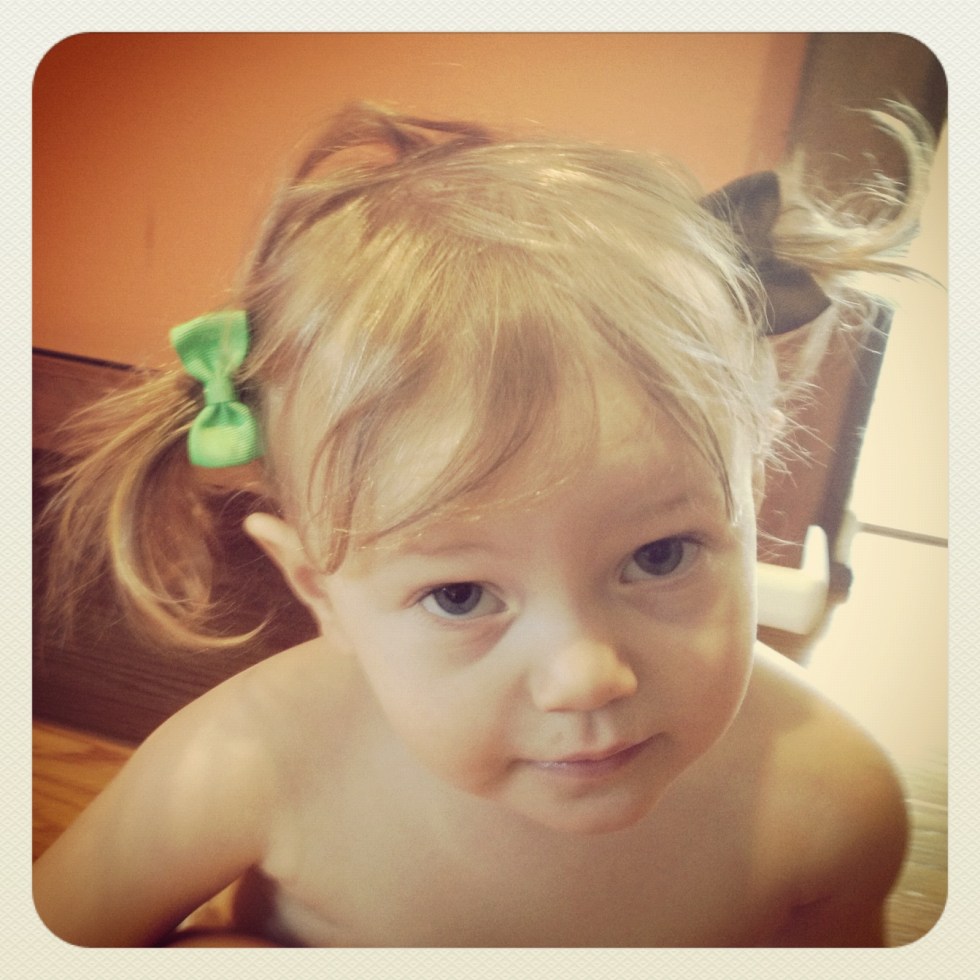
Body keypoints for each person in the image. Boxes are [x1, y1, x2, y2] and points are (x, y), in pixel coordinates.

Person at [33, 102, 933, 947]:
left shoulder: (829, 803)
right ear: (319, 590)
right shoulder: (248, 761)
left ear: (749, 498)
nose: (585, 677)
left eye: (660, 555)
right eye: (460, 595)